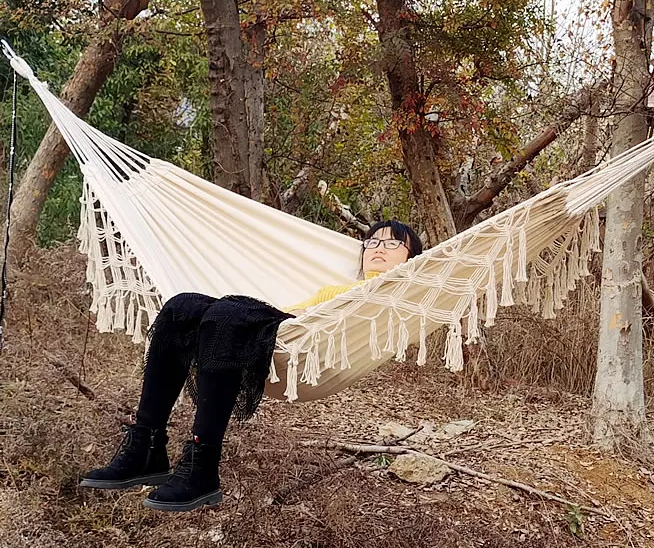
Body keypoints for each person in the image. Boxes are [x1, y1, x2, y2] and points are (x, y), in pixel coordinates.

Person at [79, 220, 422, 513]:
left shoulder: (405, 291)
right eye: (372, 242)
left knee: (227, 315)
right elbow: (293, 315)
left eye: (393, 243)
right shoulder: (333, 289)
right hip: (288, 333)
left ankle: (202, 465)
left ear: (412, 258)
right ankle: (146, 446)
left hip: (318, 348)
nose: (379, 247)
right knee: (180, 307)